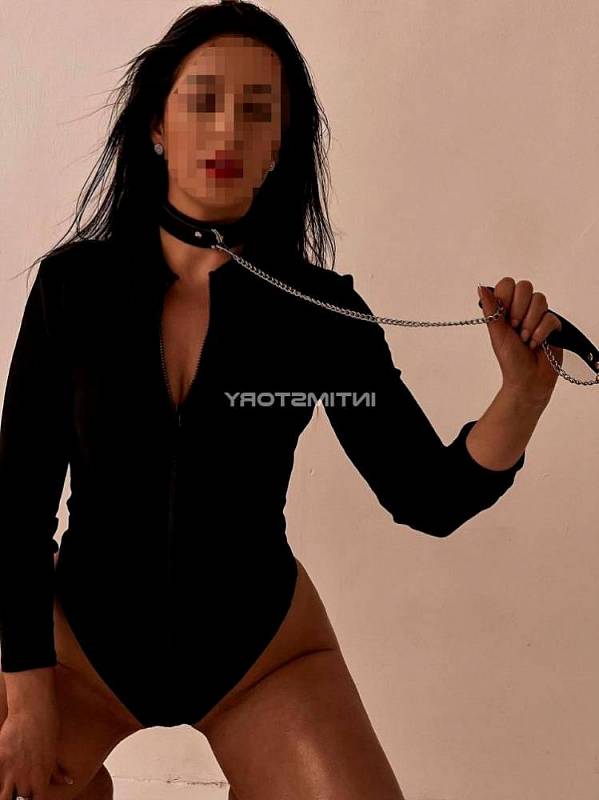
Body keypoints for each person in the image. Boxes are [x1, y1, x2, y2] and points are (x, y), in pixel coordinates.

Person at [2, 3, 559, 799]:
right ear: (156, 124)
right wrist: (28, 702)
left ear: (278, 146)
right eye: (204, 100)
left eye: (258, 111)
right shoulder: (74, 288)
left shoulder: (319, 310)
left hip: (262, 657)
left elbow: (426, 496)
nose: (228, 128)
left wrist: (521, 398)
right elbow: (17, 509)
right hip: (79, 653)